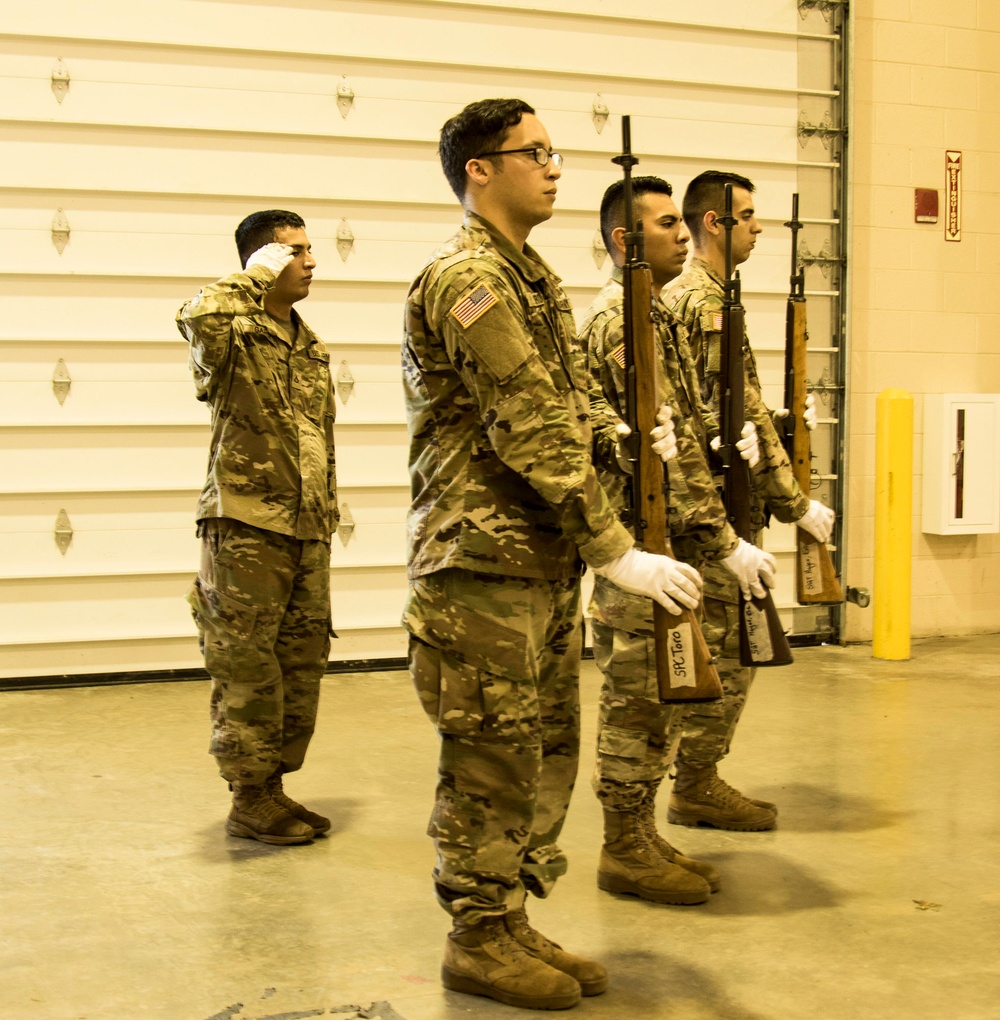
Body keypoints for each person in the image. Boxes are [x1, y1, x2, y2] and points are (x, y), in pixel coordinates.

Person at [402, 99, 705, 1011]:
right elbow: (529, 422)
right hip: (478, 564)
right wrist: (615, 549)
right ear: (479, 170)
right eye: (534, 152)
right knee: (489, 755)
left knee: (538, 750)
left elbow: (571, 415)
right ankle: (475, 937)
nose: (555, 166)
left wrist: (629, 454)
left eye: (553, 150)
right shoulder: (469, 280)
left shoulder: (530, 277)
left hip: (532, 561)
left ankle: (506, 913)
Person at [581, 175, 776, 905]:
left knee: (661, 695)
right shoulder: (615, 322)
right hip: (640, 540)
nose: (683, 234)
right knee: (635, 694)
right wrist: (724, 540)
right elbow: (647, 448)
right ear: (625, 240)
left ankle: (642, 830)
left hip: (673, 533)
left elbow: (684, 436)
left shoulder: (654, 315)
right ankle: (621, 846)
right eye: (666, 225)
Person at [663, 171, 834, 830]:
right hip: (714, 508)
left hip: (730, 499)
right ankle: (693, 782)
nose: (759, 226)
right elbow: (720, 416)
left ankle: (697, 776)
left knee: (739, 647)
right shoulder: (698, 302)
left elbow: (738, 410)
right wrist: (793, 501)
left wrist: (787, 422)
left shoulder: (717, 298)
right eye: (748, 215)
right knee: (728, 652)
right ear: (714, 222)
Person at [177, 210, 338, 846]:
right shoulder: (230, 332)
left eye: (307, 248)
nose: (310, 261)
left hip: (306, 528)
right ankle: (248, 796)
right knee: (245, 662)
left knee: (300, 662)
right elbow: (196, 315)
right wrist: (249, 280)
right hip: (245, 524)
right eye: (295, 251)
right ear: (261, 261)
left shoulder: (309, 343)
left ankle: (272, 786)